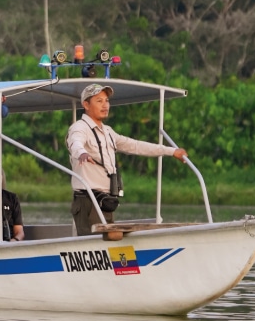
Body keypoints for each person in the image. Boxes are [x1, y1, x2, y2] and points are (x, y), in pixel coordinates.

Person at [67, 82, 188, 236]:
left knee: (109, 242)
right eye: (99, 101)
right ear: (86, 104)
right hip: (88, 200)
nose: (105, 105)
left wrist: (172, 151)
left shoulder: (108, 132)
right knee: (95, 246)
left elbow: (135, 145)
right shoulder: (79, 127)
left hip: (106, 201)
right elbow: (75, 142)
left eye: (107, 101)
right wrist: (82, 153)